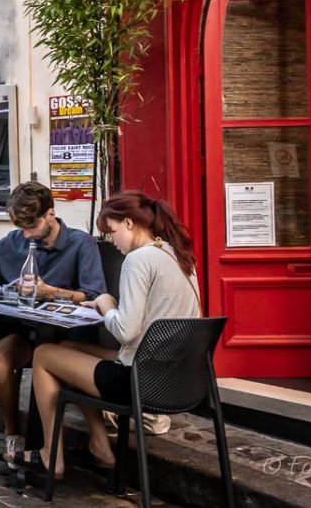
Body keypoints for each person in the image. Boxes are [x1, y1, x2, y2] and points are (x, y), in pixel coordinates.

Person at [24, 191, 202, 478]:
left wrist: (106, 305)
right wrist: (115, 309)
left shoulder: (137, 260)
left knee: (44, 354)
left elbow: (125, 331)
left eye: (112, 231)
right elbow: (153, 318)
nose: (111, 241)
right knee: (70, 346)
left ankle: (50, 454)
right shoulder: (176, 254)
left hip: (139, 381)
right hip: (180, 378)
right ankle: (99, 444)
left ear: (129, 223)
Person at [0, 181, 107, 466]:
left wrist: (52, 292)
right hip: (22, 332)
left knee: (47, 356)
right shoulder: (17, 240)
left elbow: (95, 297)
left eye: (32, 226)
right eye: (21, 228)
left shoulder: (80, 244)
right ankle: (12, 434)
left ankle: (52, 452)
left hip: (62, 339)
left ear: (50, 214)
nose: (27, 234)